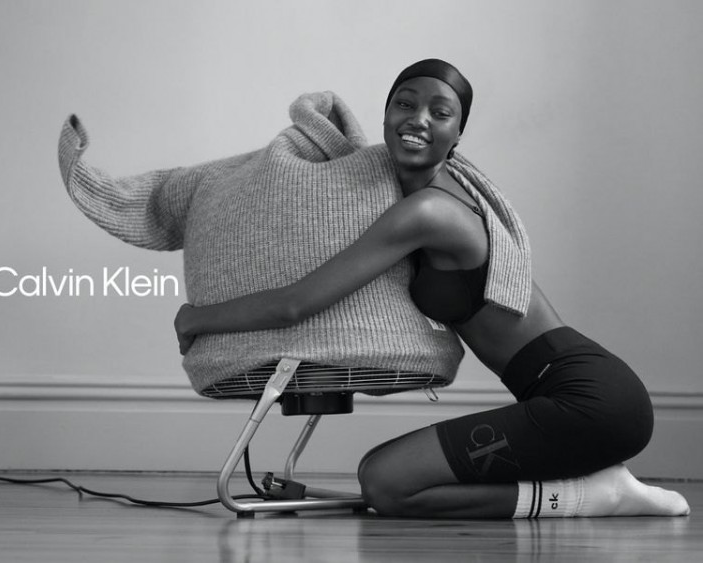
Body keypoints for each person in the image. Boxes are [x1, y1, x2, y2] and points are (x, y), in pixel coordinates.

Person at [174, 59, 690, 519]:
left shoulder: (429, 212)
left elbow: (297, 303)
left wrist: (196, 318)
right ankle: (594, 488)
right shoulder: (409, 196)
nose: (418, 119)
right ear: (385, 116)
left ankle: (594, 496)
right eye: (405, 104)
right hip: (568, 395)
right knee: (380, 477)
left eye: (439, 112)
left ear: (457, 133)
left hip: (594, 400)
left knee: (385, 481)